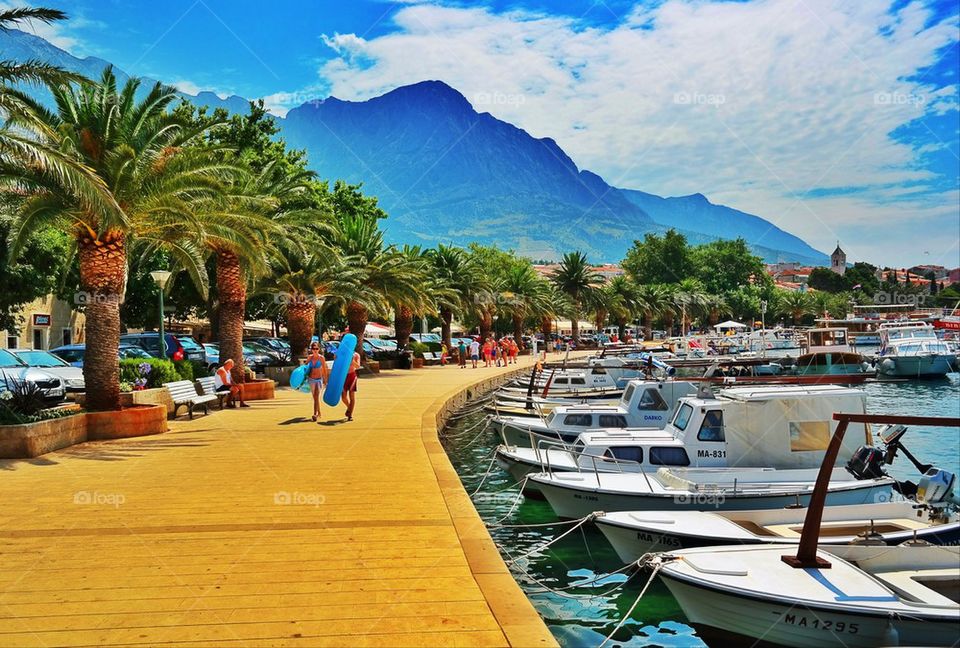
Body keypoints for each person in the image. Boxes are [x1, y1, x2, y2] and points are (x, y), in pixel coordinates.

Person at [305, 342, 329, 422]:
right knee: (315, 398)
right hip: (311, 379)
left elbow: (325, 370)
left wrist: (326, 381)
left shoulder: (321, 358)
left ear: (319, 349)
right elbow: (305, 368)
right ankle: (319, 413)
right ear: (311, 349)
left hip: (319, 379)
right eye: (313, 348)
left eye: (316, 348)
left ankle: (315, 414)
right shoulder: (310, 357)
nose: (315, 350)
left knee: (316, 396)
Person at [341, 349, 361, 421]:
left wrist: (352, 360)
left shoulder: (356, 355)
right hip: (343, 377)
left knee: (351, 396)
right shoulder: (342, 353)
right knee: (343, 397)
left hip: (352, 376)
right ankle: (349, 408)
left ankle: (350, 415)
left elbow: (358, 366)